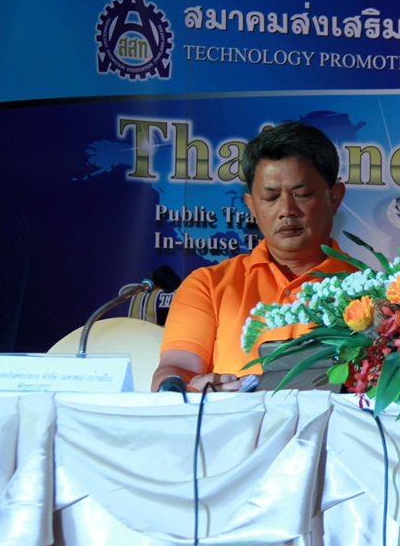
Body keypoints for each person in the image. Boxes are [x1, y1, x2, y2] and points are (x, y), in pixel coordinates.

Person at [151, 122, 355, 392]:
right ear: (252, 206)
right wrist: (187, 386)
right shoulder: (208, 285)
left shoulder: (374, 293)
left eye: (302, 194)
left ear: (335, 198)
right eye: (270, 197)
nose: (286, 210)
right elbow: (175, 369)